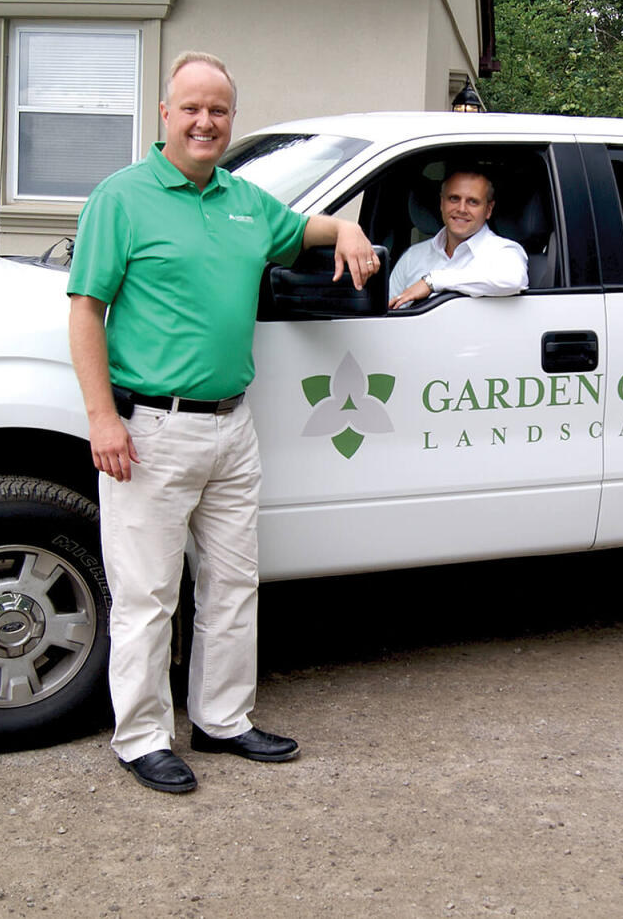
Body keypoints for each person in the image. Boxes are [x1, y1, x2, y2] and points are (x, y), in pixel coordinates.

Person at [66, 51, 378, 794]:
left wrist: (346, 233)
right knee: (147, 598)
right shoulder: (122, 198)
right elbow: (85, 309)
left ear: (231, 120)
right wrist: (102, 417)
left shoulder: (244, 200)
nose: (206, 122)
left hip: (233, 427)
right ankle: (142, 738)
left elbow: (303, 227)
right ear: (165, 115)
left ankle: (223, 720)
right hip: (151, 432)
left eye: (220, 111)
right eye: (193, 108)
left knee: (234, 585)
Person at [387, 170, 529, 309]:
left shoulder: (504, 252)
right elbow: (387, 312)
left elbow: (513, 280)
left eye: (473, 202)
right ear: (442, 203)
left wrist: (432, 282)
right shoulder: (412, 256)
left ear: (488, 210)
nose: (461, 209)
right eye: (454, 198)